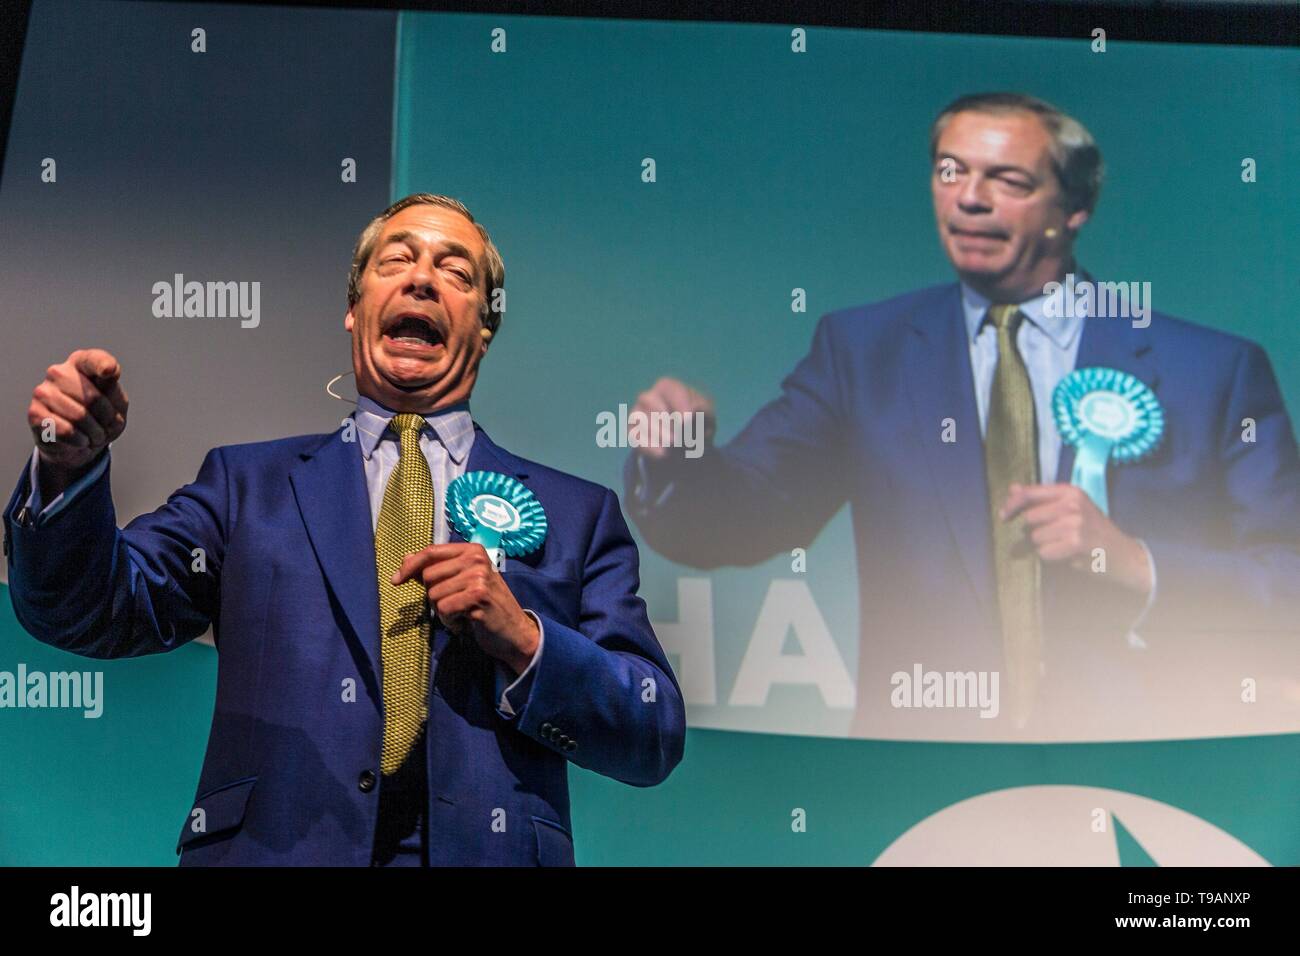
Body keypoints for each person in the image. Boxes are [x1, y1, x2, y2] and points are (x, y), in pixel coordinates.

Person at [4, 193, 686, 865]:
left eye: (456, 273)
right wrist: (69, 471)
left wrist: (526, 640)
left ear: (485, 326)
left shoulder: (578, 514)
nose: (423, 277)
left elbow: (652, 731)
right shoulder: (246, 487)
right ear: (355, 308)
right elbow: (89, 608)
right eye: (398, 259)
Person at [624, 93, 1300, 740]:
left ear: (1075, 207)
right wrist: (682, 460)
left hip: (1158, 768)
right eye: (951, 171)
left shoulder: (1213, 370)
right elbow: (739, 525)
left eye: (1007, 179)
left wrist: (1136, 564)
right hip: (927, 776)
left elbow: (1287, 584)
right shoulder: (862, 352)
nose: (969, 198)